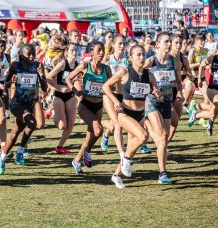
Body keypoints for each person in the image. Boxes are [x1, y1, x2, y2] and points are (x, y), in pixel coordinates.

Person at [104, 45, 161, 188]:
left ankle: (116, 175)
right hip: (125, 113)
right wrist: (116, 101)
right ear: (130, 57)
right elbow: (105, 87)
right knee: (143, 136)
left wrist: (158, 94)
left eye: (143, 55)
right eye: (138, 55)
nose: (142, 58)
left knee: (131, 147)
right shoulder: (124, 72)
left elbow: (157, 92)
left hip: (140, 114)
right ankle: (126, 159)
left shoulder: (150, 75)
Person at [0, 44, 48, 174]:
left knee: (15, 132)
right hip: (17, 102)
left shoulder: (38, 66)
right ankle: (20, 152)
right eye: (28, 54)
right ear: (21, 55)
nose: (31, 56)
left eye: (33, 53)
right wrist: (12, 81)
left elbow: (45, 88)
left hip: (29, 103)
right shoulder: (15, 65)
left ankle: (2, 156)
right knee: (32, 122)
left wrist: (42, 76)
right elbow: (5, 85)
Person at [65, 42, 112, 173]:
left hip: (98, 105)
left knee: (89, 138)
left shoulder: (107, 69)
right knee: (98, 130)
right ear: (91, 53)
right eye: (99, 50)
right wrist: (76, 92)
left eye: (103, 50)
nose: (102, 53)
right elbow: (68, 79)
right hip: (85, 105)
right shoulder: (84, 66)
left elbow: (112, 85)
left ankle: (77, 161)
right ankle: (87, 152)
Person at [144, 32, 183, 185]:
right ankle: (162, 173)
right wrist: (152, 89)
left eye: (170, 42)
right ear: (157, 44)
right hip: (152, 101)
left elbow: (178, 81)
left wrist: (179, 92)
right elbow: (138, 75)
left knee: (164, 139)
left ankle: (163, 174)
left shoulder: (174, 61)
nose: (169, 44)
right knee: (161, 135)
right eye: (166, 41)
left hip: (167, 101)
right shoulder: (150, 61)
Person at [47, 43, 78, 154]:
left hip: (70, 96)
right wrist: (57, 87)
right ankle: (53, 112)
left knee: (70, 124)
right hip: (59, 95)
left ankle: (60, 146)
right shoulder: (63, 64)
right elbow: (49, 77)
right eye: (72, 50)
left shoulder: (78, 65)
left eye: (76, 50)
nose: (74, 53)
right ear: (66, 53)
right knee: (62, 126)